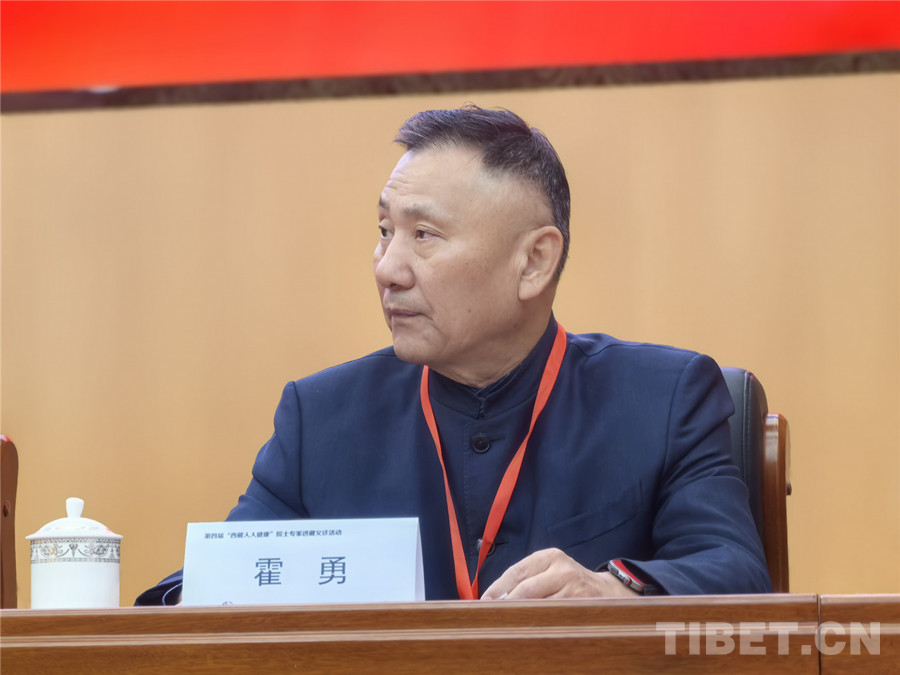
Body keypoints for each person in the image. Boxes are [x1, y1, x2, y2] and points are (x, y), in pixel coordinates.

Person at [136, 105, 771, 605]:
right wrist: (198, 600)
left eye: (424, 234)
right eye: (384, 231)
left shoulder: (663, 399)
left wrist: (612, 588)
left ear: (534, 261)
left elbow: (735, 571)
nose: (388, 268)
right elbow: (207, 583)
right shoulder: (322, 418)